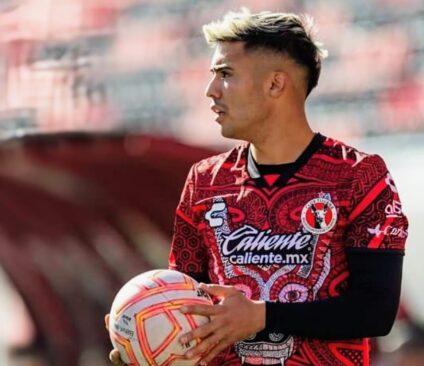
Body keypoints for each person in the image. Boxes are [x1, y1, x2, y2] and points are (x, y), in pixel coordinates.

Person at [108, 9, 408, 366]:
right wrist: (148, 338)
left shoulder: (360, 177)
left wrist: (262, 316)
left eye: (225, 74)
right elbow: (186, 306)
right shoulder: (204, 181)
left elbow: (374, 311)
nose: (210, 90)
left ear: (275, 84)